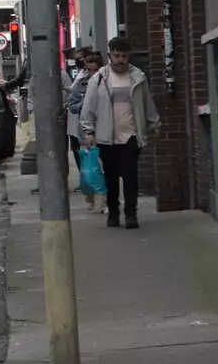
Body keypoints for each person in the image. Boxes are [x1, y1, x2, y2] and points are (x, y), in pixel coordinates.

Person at [80, 37, 159, 228]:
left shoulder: (138, 77)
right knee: (111, 178)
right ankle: (113, 213)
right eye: (116, 56)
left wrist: (153, 124)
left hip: (131, 135)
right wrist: (89, 131)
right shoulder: (99, 78)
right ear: (109, 56)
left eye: (124, 56)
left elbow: (147, 104)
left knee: (131, 176)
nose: (120, 60)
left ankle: (131, 214)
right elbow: (89, 107)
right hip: (107, 138)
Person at [68, 50, 103, 210]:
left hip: (104, 131)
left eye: (95, 69)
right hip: (85, 133)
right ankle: (90, 196)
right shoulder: (81, 85)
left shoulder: (106, 84)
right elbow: (73, 107)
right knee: (88, 170)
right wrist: (84, 104)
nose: (91, 73)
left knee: (103, 169)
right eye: (89, 69)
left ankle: (104, 201)